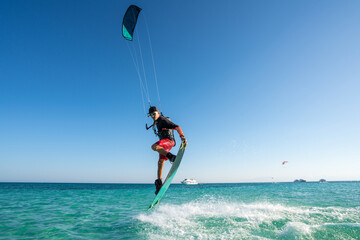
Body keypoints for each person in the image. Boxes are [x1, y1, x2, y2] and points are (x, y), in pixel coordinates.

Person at [148, 106, 187, 194]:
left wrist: (182, 136)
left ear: (158, 113)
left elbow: (177, 127)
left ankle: (171, 157)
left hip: (169, 141)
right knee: (160, 163)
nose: (153, 116)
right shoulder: (157, 122)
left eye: (154, 114)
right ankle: (159, 185)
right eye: (151, 115)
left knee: (154, 147)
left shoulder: (163, 120)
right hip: (163, 144)